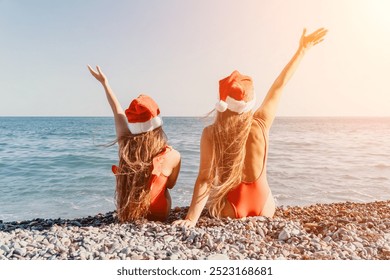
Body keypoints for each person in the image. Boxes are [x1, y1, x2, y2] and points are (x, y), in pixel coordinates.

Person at [173, 28, 327, 227]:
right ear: (250, 101)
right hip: (264, 206)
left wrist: (191, 219)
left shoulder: (212, 133)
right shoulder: (261, 122)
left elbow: (205, 179)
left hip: (230, 209)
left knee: (214, 193)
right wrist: (302, 49)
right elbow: (280, 85)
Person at [88, 65, 181, 222]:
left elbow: (117, 111)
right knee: (164, 187)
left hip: (129, 214)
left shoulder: (126, 143)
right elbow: (170, 185)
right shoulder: (173, 155)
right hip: (159, 214)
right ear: (157, 125)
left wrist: (105, 83)